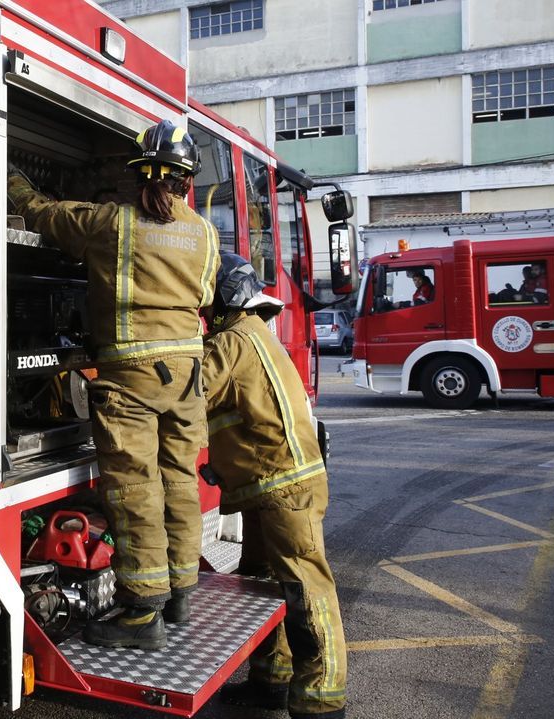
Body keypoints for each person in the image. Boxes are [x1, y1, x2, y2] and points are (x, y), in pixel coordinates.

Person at [8, 119, 220, 650]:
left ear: (138, 177)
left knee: (135, 489)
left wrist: (10, 176)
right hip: (188, 376)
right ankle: (180, 596)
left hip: (131, 380)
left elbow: (43, 214)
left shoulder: (112, 224)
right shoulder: (206, 235)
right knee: (179, 482)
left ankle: (141, 615)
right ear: (187, 182)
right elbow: (208, 295)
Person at [201, 253, 347, 719]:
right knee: (268, 585)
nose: (202, 309)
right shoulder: (257, 334)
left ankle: (322, 701)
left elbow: (188, 395)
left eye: (205, 299)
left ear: (225, 296)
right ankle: (272, 680)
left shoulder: (233, 340)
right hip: (269, 486)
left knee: (306, 590)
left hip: (283, 488)